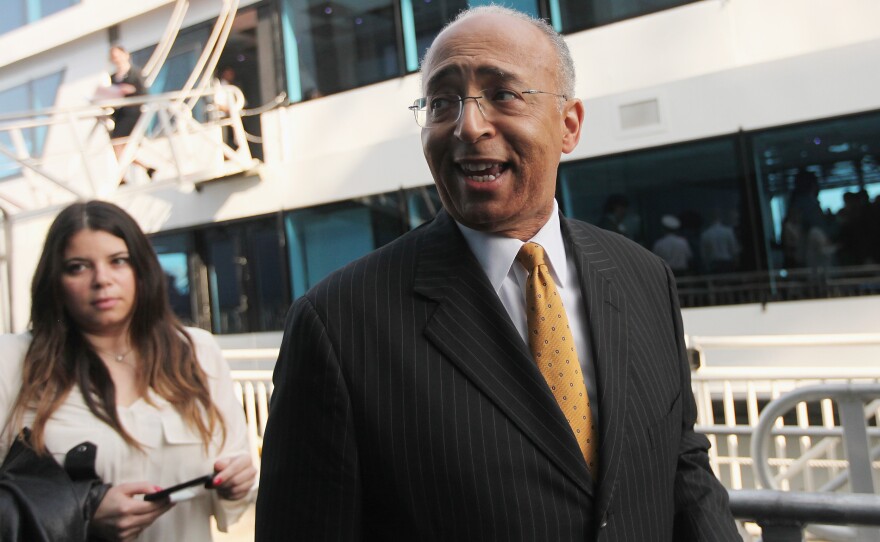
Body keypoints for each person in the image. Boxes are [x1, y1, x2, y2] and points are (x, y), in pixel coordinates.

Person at [257, 6, 739, 541]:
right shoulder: (338, 324)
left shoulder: (645, 278)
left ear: (569, 125)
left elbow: (683, 468)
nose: (468, 125)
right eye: (442, 102)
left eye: (503, 94)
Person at [0, 200, 256, 541]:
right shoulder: (15, 360)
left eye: (118, 261)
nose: (101, 280)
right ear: (55, 281)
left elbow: (237, 484)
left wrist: (237, 484)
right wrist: (82, 512)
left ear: (141, 268)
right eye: (78, 267)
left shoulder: (197, 352)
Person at [107, 45, 155, 182]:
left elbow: (144, 93)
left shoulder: (135, 72)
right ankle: (146, 168)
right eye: (113, 57)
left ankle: (122, 176)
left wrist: (130, 90)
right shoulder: (113, 77)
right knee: (122, 147)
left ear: (125, 55)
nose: (116, 59)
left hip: (133, 113)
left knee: (118, 144)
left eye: (118, 55)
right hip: (120, 114)